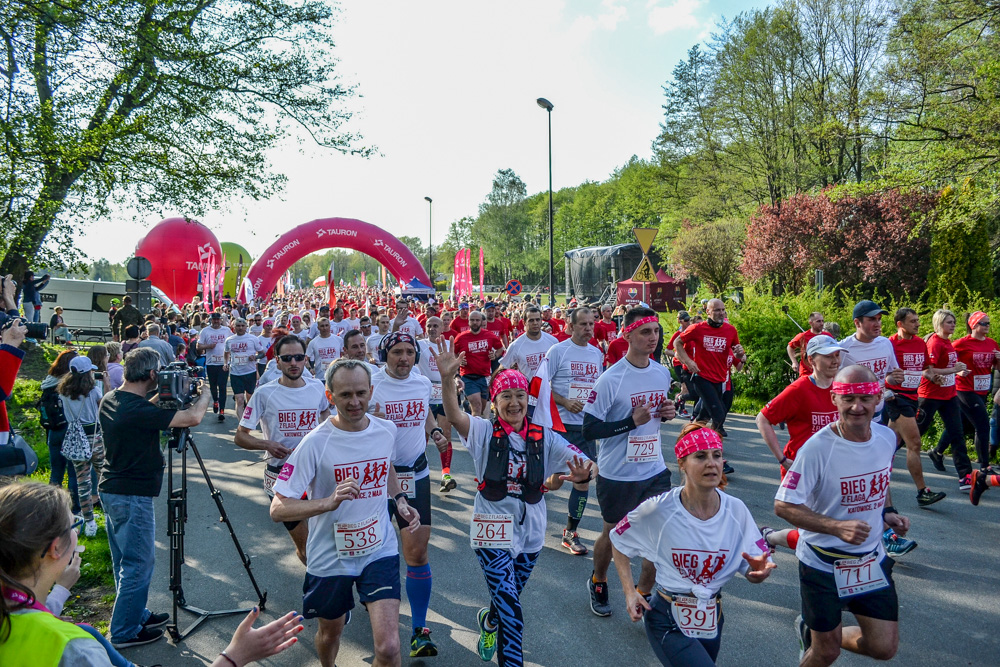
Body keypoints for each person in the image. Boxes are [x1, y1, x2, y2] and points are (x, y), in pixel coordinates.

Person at [0, 482, 304, 667]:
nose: (76, 532)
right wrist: (236, 655)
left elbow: (29, 618)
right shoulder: (71, 647)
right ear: (56, 548)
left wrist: (61, 591)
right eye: (74, 525)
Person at [435, 353, 593, 667]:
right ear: (494, 402)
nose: (514, 402)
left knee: (507, 599)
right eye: (506, 396)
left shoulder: (544, 437)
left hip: (531, 534)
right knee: (512, 610)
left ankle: (489, 621)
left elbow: (587, 464)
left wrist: (585, 472)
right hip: (491, 531)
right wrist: (445, 380)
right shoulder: (481, 432)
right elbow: (453, 414)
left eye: (520, 395)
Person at [269, 358, 420, 667]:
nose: (355, 402)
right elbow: (278, 508)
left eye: (361, 393)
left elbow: (385, 464)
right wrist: (326, 502)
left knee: (390, 649)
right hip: (330, 556)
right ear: (329, 397)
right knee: (330, 634)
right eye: (345, 395)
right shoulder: (314, 443)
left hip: (379, 548)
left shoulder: (386, 430)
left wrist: (400, 498)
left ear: (371, 392)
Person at [775, 365, 910, 667]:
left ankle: (814, 633)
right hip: (823, 564)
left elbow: (880, 478)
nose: (856, 407)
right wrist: (835, 527)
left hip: (869, 561)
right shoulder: (818, 449)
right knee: (826, 652)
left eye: (865, 398)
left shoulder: (887, 438)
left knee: (884, 647)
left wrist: (887, 512)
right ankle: (819, 638)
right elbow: (784, 506)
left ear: (879, 400)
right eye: (848, 399)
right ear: (834, 400)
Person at [611, 423, 775, 666]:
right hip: (667, 618)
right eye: (700, 456)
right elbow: (618, 539)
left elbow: (752, 570)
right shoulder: (660, 508)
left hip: (711, 616)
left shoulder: (736, 510)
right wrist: (629, 592)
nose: (712, 463)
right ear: (682, 464)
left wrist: (757, 572)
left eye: (716, 455)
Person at [98, 347, 211, 649]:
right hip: (131, 494)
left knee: (124, 560)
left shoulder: (114, 399)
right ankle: (124, 632)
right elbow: (193, 417)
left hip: (113, 489)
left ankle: (135, 614)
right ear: (151, 374)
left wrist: (163, 395)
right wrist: (205, 393)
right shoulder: (136, 410)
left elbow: (144, 409)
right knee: (138, 563)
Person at [582, 307, 677, 617]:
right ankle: (598, 580)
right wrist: (629, 423)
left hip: (654, 469)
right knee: (613, 534)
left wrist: (667, 413)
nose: (653, 337)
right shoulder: (611, 379)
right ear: (628, 335)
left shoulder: (662, 373)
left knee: (658, 537)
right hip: (618, 473)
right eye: (645, 332)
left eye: (656, 331)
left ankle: (643, 594)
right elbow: (590, 429)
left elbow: (657, 415)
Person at [371, 332, 448, 657]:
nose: (404, 358)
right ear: (385, 354)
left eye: (409, 352)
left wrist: (434, 430)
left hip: (413, 474)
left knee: (416, 554)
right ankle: (368, 607)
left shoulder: (419, 382)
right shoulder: (371, 383)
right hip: (374, 477)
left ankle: (419, 630)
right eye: (397, 352)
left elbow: (424, 411)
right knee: (369, 553)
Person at [237, 334, 330, 565]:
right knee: (307, 546)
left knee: (325, 541)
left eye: (298, 357)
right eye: (287, 358)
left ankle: (326, 589)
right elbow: (240, 436)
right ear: (277, 362)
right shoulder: (264, 393)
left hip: (318, 472)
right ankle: (316, 589)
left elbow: (326, 416)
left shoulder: (318, 387)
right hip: (281, 475)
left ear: (306, 359)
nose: (293, 363)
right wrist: (266, 444)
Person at [544, 306, 604, 556]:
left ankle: (570, 532)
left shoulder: (597, 353)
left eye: (591, 324)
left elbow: (598, 388)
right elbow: (540, 387)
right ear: (570, 326)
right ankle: (536, 485)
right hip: (560, 426)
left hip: (585, 428)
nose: (589, 328)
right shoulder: (558, 351)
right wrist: (565, 402)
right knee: (556, 482)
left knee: (584, 478)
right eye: (583, 324)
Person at [885, 308, 947, 506]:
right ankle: (922, 492)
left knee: (888, 444)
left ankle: (867, 472)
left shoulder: (920, 343)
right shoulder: (890, 344)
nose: (918, 324)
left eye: (918, 320)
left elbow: (924, 369)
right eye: (913, 321)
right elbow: (879, 369)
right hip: (897, 397)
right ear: (900, 324)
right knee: (914, 444)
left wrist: (933, 377)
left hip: (914, 397)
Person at [757, 335, 842, 478]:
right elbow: (762, 419)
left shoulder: (842, 387)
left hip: (831, 468)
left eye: (837, 355)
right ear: (811, 360)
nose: (835, 361)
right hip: (800, 468)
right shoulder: (798, 389)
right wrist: (782, 459)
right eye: (828, 356)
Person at [936, 310, 1000, 479]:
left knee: (961, 425)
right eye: (984, 323)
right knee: (983, 425)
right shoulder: (960, 344)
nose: (987, 326)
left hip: (982, 389)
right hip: (964, 389)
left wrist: (999, 359)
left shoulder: (993, 344)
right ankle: (985, 467)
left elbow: (998, 368)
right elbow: (947, 361)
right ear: (974, 325)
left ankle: (937, 451)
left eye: (988, 323)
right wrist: (957, 373)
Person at [674, 299, 744, 448]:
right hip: (702, 377)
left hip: (720, 380)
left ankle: (685, 442)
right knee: (718, 416)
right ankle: (715, 451)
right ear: (708, 312)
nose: (721, 313)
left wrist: (740, 354)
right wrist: (687, 362)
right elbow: (677, 343)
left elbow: (737, 354)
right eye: (717, 310)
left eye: (723, 310)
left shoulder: (731, 330)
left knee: (703, 418)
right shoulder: (697, 328)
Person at [917, 309, 973, 490]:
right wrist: (953, 369)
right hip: (930, 396)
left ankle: (965, 476)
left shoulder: (948, 342)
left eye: (954, 322)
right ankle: (885, 457)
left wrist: (958, 371)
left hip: (949, 395)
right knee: (915, 433)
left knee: (957, 434)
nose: (954, 325)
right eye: (950, 322)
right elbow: (928, 370)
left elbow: (948, 367)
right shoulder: (934, 343)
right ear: (940, 323)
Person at [57, 356, 108, 537]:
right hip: (94, 437)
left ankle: (89, 521)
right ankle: (110, 513)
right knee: (104, 475)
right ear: (88, 373)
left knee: (82, 482)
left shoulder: (63, 392)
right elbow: (104, 406)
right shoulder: (93, 391)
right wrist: (106, 383)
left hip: (76, 439)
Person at [836, 300, 903, 425]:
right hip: (853, 417)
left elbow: (888, 377)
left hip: (878, 413)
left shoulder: (886, 343)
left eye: (879, 319)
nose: (877, 324)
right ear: (857, 323)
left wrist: (895, 378)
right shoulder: (843, 349)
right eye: (872, 319)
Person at [417, 317, 461, 492]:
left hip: (443, 391)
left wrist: (457, 380)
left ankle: (446, 474)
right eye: (429, 325)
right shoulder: (419, 344)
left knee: (446, 433)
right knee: (423, 437)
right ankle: (422, 470)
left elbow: (453, 369)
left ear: (442, 327)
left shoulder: (447, 347)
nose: (432, 328)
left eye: (436, 325)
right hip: (424, 393)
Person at [40, 350, 80, 514]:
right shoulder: (70, 383)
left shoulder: (48, 382)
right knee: (72, 472)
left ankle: (50, 507)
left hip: (53, 430)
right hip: (68, 429)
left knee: (56, 471)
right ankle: (72, 509)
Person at [453, 311, 504, 418]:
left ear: (481, 321)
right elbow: (453, 353)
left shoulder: (489, 335)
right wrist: (458, 360)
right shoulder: (461, 337)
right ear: (468, 321)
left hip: (484, 377)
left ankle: (467, 407)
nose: (475, 322)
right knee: (477, 406)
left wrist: (494, 355)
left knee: (481, 408)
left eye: (477, 320)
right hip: (468, 376)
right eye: (472, 320)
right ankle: (474, 434)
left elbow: (500, 348)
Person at [499, 306, 558, 382]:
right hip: (527, 390)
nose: (535, 323)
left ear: (541, 321)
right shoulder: (516, 345)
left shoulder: (553, 341)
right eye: (531, 320)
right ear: (524, 323)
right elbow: (502, 368)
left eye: (537, 320)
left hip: (549, 390)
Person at [225, 318, 266, 422]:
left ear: (246, 327)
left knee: (250, 398)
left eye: (242, 326)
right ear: (234, 327)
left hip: (250, 372)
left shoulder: (253, 339)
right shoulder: (229, 340)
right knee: (239, 400)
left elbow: (262, 353)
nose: (240, 328)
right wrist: (225, 363)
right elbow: (226, 353)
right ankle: (242, 423)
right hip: (235, 373)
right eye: (238, 326)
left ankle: (250, 419)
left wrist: (255, 357)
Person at [197, 312, 234, 420]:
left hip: (223, 363)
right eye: (214, 319)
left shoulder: (226, 330)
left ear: (221, 320)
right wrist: (208, 346)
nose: (216, 321)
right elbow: (198, 346)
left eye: (218, 319)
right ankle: (216, 401)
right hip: (211, 363)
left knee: (222, 386)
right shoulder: (205, 331)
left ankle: (222, 410)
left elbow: (233, 341)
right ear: (211, 320)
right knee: (213, 386)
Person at [664, 311, 695, 418]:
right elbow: (667, 350)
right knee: (685, 388)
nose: (688, 322)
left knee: (692, 390)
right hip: (679, 364)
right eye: (686, 320)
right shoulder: (678, 335)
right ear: (680, 321)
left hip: (690, 365)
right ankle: (682, 409)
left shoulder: (692, 333)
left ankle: (677, 402)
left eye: (689, 320)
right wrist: (677, 355)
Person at [787, 313, 826, 377]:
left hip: (822, 373)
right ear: (811, 323)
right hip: (806, 373)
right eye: (818, 321)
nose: (821, 323)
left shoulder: (827, 336)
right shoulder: (803, 336)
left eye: (822, 321)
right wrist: (794, 362)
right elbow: (790, 347)